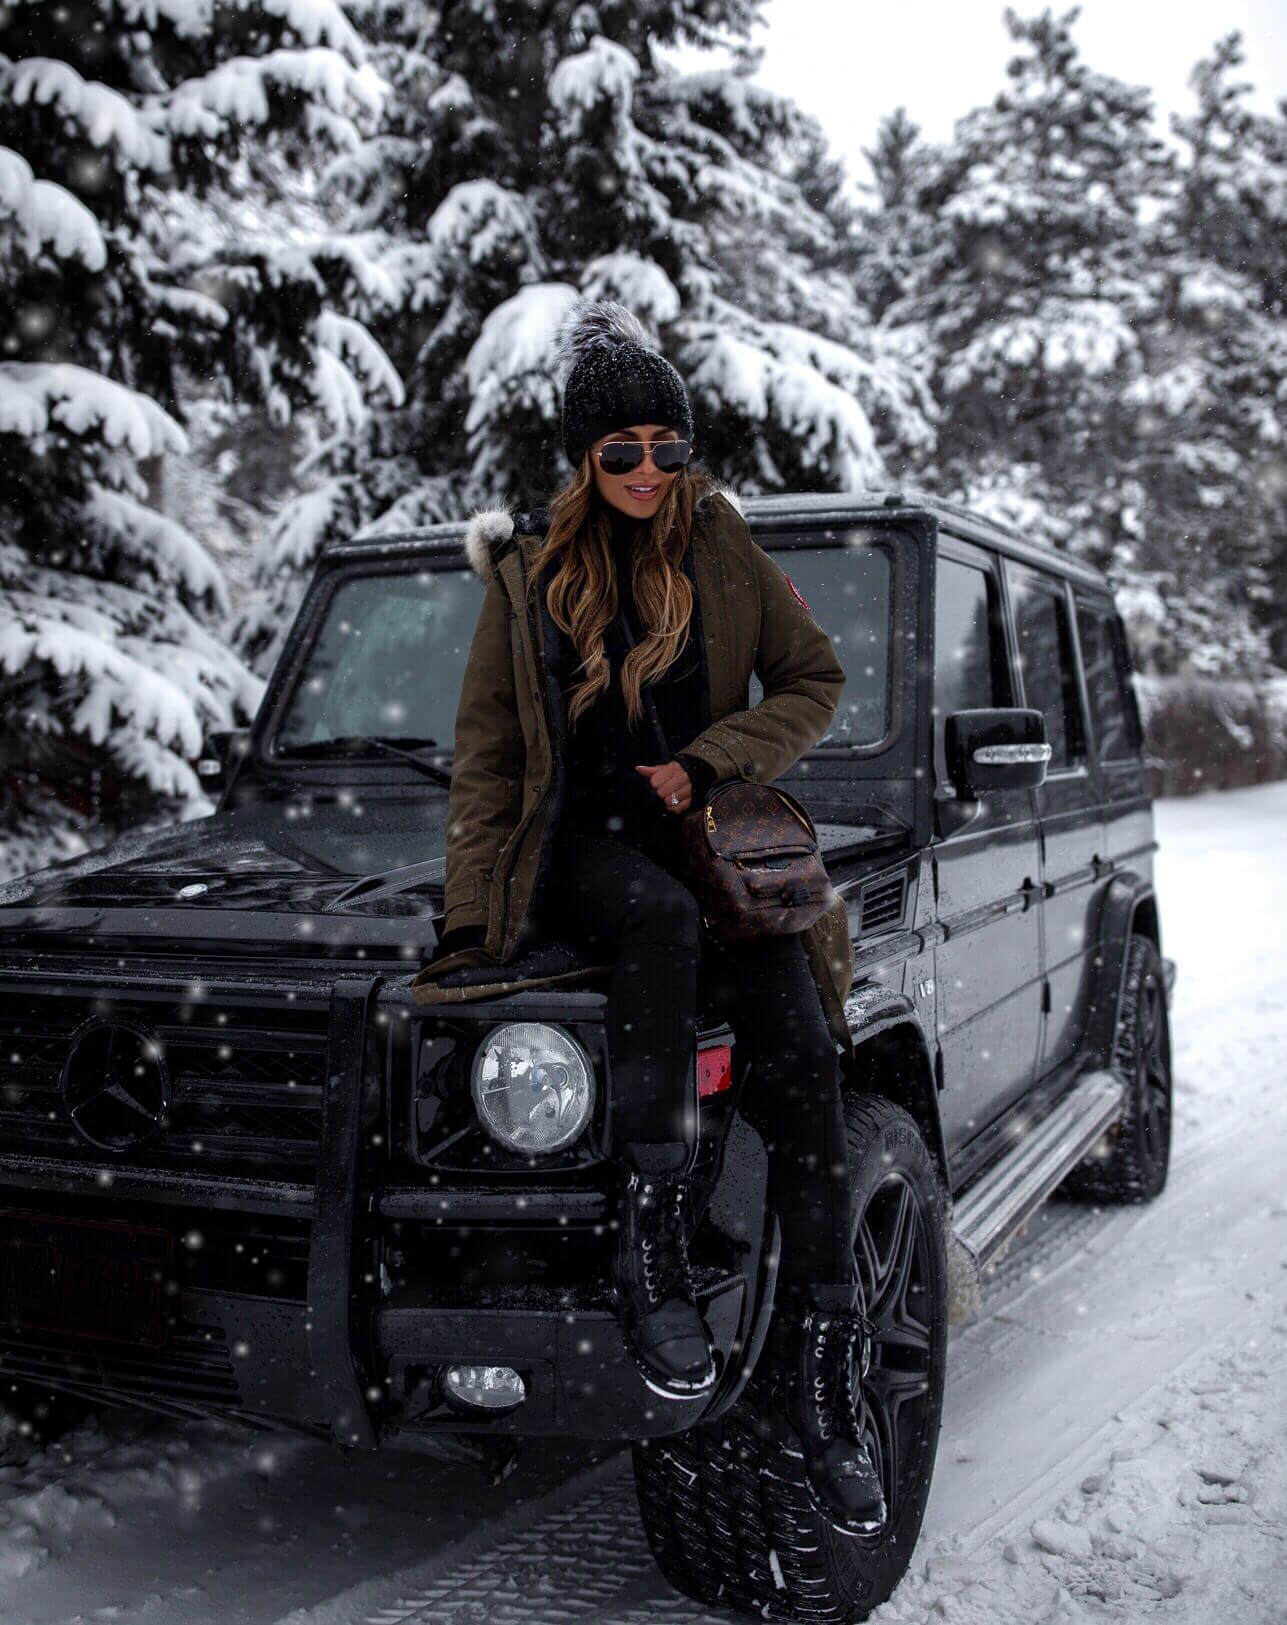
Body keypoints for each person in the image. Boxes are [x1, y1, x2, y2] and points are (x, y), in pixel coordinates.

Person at [432, 299, 885, 1536]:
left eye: (665, 446)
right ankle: (654, 1247)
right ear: (583, 459)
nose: (645, 471)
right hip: (583, 849)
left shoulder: (723, 546)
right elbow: (485, 758)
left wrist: (712, 753)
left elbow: (815, 681)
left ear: (688, 452)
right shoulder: (527, 576)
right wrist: (474, 918)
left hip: (713, 841)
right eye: (618, 450)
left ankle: (831, 1363)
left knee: (802, 1054)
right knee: (658, 931)